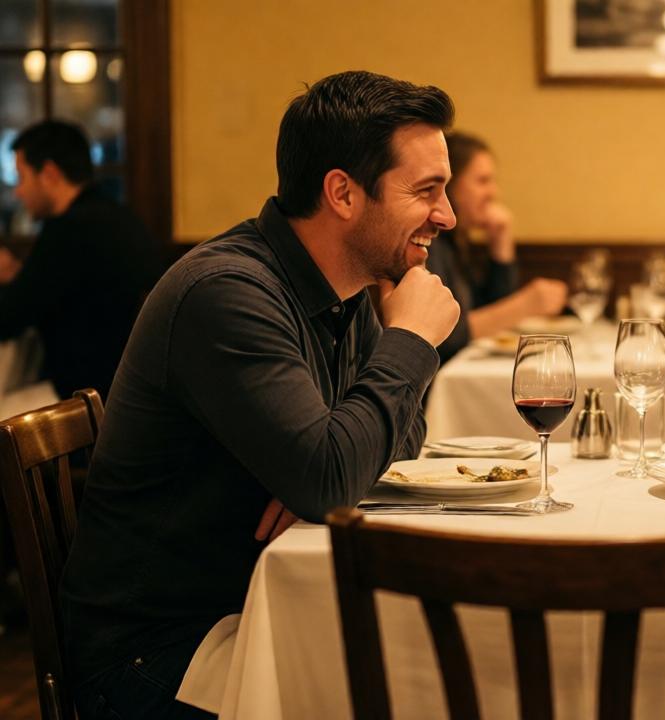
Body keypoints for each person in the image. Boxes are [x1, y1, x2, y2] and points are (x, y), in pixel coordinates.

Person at [58, 71, 461, 719]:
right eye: (426, 191)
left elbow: (385, 448)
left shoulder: (346, 287)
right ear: (342, 193)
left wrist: (324, 474)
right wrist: (411, 341)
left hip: (249, 609)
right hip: (160, 652)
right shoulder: (227, 295)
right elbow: (332, 474)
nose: (448, 215)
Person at [0, 120, 162, 402]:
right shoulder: (115, 216)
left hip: (91, 396)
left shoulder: (70, 230)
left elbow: (8, 318)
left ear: (49, 174)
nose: (18, 191)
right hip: (128, 388)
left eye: (22, 178)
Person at [427, 131, 566, 364]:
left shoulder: (456, 242)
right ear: (449, 185)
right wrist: (526, 305)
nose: (494, 193)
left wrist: (501, 244)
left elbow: (490, 314)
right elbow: (445, 336)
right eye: (483, 181)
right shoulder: (430, 243)